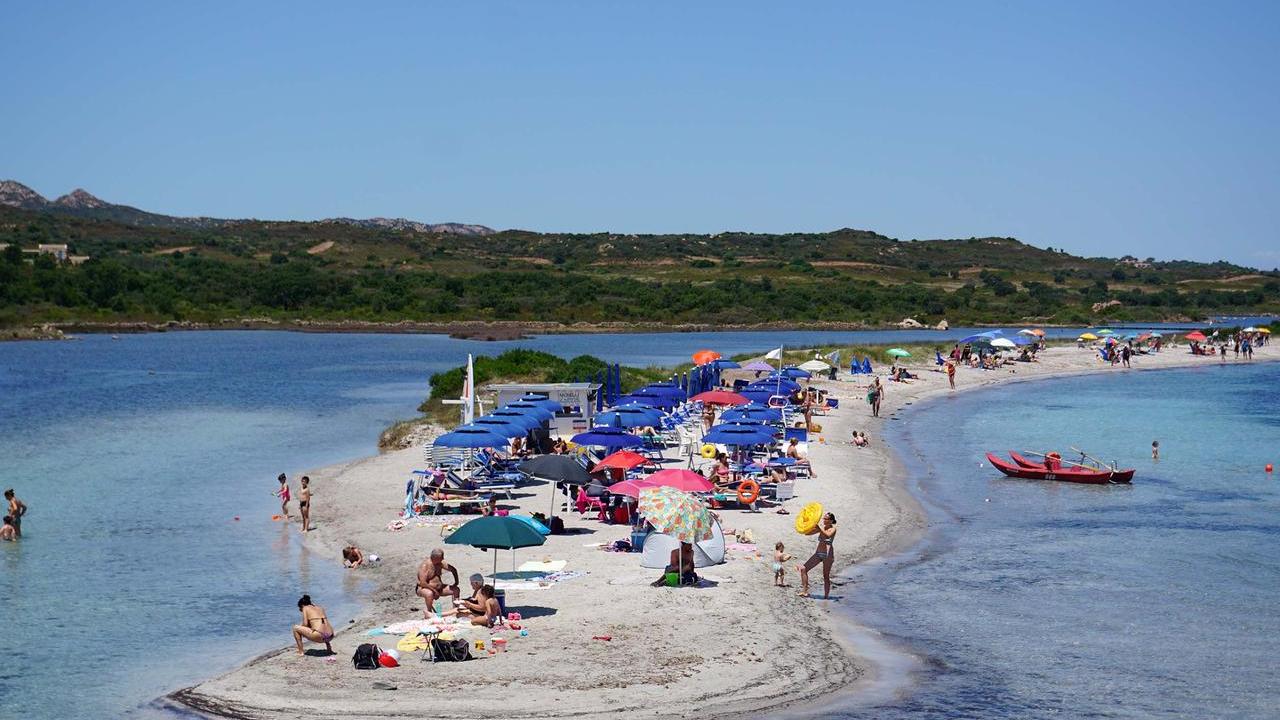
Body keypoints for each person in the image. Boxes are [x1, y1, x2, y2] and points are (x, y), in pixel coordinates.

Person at [797, 513, 837, 599]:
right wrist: (808, 527)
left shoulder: (833, 529)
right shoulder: (822, 528)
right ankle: (805, 592)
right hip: (818, 553)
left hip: (827, 555)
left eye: (826, 519)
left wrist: (819, 529)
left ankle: (826, 597)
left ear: (831, 521)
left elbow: (828, 535)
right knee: (804, 569)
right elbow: (807, 534)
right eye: (824, 518)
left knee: (826, 576)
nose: (824, 520)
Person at [416, 549, 461, 615]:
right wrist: (434, 591)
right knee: (429, 594)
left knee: (456, 590)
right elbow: (423, 583)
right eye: (441, 557)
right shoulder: (425, 566)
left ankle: (455, 611)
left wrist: (456, 581)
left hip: (439, 589)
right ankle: (429, 613)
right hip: (424, 588)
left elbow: (453, 569)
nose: (443, 559)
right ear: (435, 557)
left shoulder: (440, 563)